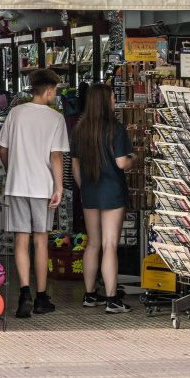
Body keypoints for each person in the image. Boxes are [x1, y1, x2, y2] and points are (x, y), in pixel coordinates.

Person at [0, 68, 68, 318]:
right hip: (42, 188)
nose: (56, 95)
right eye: (55, 91)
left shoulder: (16, 113)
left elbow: (2, 150)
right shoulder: (55, 119)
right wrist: (58, 187)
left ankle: (24, 293)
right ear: (48, 90)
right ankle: (41, 297)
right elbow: (56, 156)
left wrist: (12, 170)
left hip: (17, 186)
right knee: (40, 241)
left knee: (21, 240)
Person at [70, 83, 134, 314]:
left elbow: (75, 164)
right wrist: (133, 158)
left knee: (93, 243)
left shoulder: (80, 129)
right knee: (109, 245)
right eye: (113, 97)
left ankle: (89, 295)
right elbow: (121, 162)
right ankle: (112, 298)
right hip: (112, 192)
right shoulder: (115, 128)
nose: (115, 100)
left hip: (89, 192)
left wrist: (84, 186)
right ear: (106, 101)